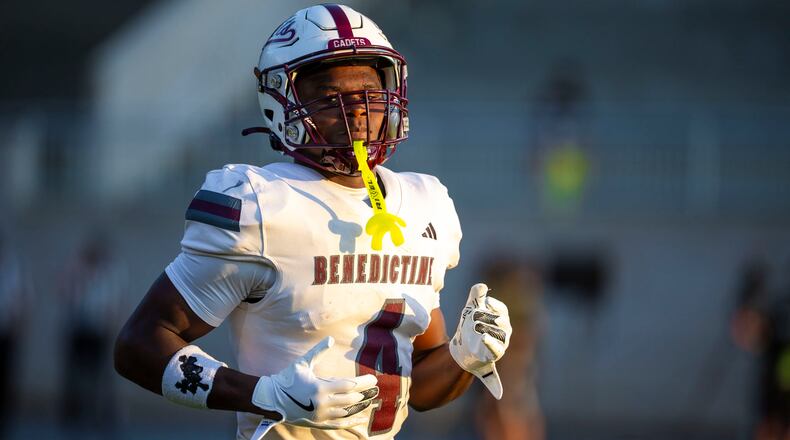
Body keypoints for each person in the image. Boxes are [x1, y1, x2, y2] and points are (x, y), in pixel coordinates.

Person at [114, 4, 513, 440]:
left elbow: (421, 386)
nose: (357, 112)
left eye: (368, 92)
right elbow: (139, 345)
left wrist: (465, 357)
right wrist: (260, 394)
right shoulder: (258, 205)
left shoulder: (425, 203)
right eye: (331, 96)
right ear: (283, 103)